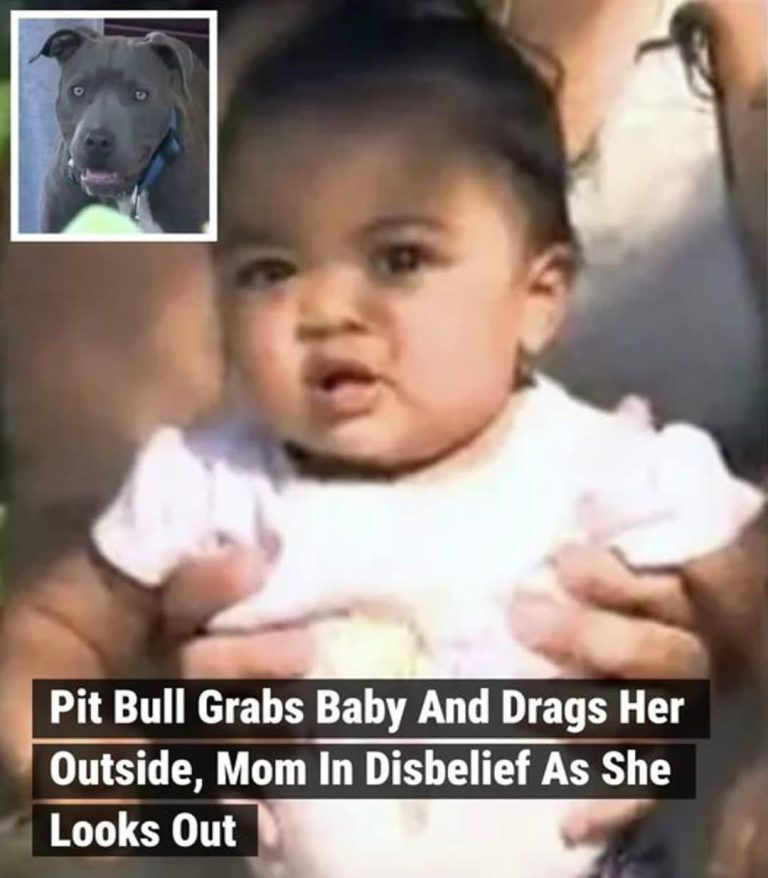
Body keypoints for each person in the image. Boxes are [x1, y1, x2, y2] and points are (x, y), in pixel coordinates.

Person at [0, 2, 763, 876]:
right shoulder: (119, 39)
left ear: (545, 290)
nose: (326, 310)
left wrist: (721, 648)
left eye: (401, 258)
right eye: (268, 271)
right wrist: (117, 777)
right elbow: (64, 556)